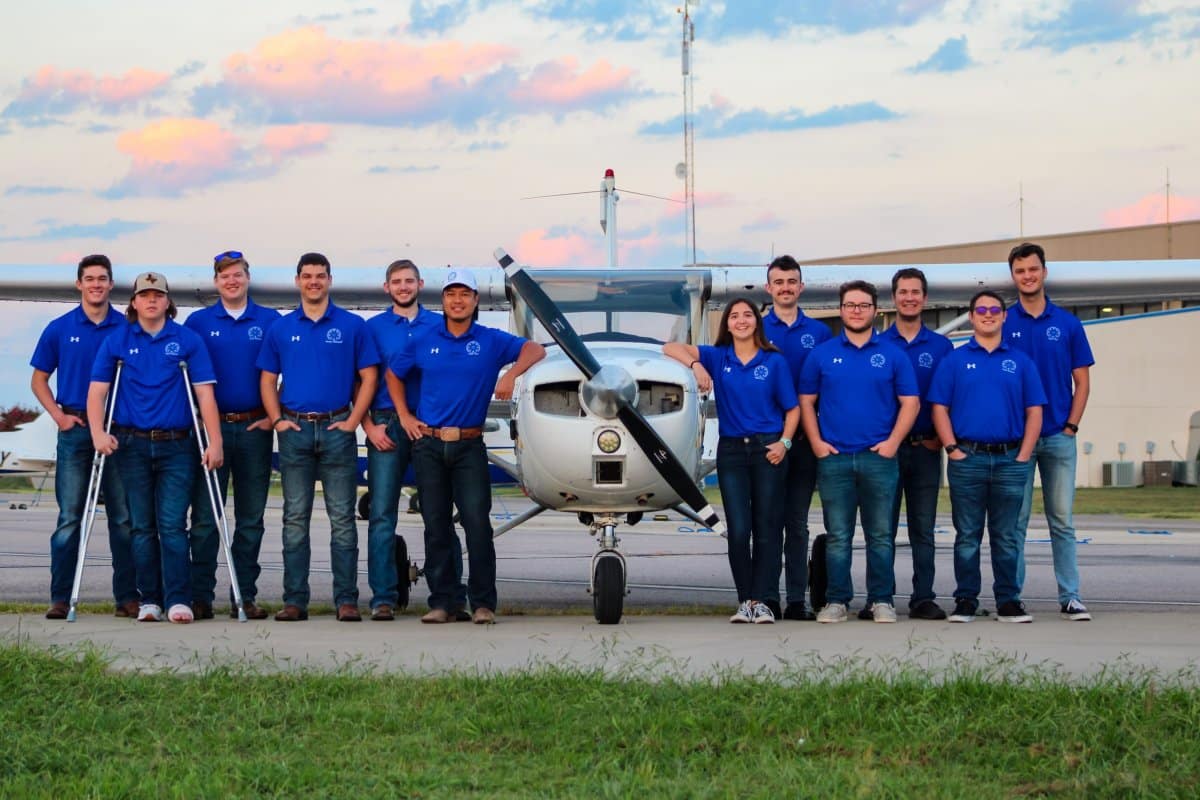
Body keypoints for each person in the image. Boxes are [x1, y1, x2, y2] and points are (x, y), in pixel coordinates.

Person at [388, 268, 545, 625]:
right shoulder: (424, 339)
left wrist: (510, 373)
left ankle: (483, 603)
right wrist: (405, 417)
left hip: (469, 445)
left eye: (464, 294)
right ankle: (444, 602)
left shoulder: (491, 340)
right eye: (450, 294)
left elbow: (534, 349)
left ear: (475, 301)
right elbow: (394, 375)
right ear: (442, 301)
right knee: (436, 524)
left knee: (477, 524)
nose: (457, 301)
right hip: (428, 444)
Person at [89, 272, 223, 624]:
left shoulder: (187, 340)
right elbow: (97, 392)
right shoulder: (117, 340)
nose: (151, 300)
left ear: (167, 302)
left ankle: (178, 598)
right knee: (141, 527)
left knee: (173, 525)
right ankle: (149, 598)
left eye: (158, 295)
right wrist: (98, 433)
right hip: (130, 443)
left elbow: (205, 395)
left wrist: (215, 440)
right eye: (144, 295)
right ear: (133, 302)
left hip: (177, 445)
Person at [258, 252, 378, 622]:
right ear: (297, 281)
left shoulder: (353, 325)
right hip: (294, 430)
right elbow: (267, 379)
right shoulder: (280, 327)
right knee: (295, 518)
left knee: (342, 518)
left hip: (336, 427)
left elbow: (369, 377)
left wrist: (354, 421)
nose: (314, 281)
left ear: (330, 280)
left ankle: (346, 599)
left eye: (320, 275)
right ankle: (295, 600)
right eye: (307, 276)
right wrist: (277, 420)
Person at [665, 298, 800, 624]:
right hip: (732, 453)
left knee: (767, 528)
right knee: (739, 530)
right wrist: (696, 366)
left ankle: (764, 601)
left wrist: (784, 443)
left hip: (768, 449)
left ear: (757, 321)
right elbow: (670, 347)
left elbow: (792, 409)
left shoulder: (774, 361)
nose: (741, 321)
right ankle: (745, 601)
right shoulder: (718, 356)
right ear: (726, 324)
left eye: (747, 315)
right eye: (734, 316)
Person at [799, 280, 919, 624]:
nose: (856, 310)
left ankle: (881, 599)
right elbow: (806, 401)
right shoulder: (821, 354)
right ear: (841, 309)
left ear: (875, 310)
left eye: (863, 305)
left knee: (880, 534)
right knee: (838, 535)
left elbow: (910, 402)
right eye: (850, 305)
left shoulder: (893, 355)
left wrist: (893, 442)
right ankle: (837, 601)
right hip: (834, 459)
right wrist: (818, 442)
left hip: (878, 458)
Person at [30, 254, 139, 619]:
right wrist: (58, 417)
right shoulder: (59, 328)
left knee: (123, 519)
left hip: (117, 432)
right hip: (75, 430)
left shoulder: (126, 328)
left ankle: (126, 597)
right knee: (70, 517)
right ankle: (60, 597)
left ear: (111, 285)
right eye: (89, 279)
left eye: (102, 279)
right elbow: (39, 379)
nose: (96, 284)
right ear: (79, 284)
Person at [930, 290, 1046, 623]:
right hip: (968, 459)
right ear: (972, 316)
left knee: (1006, 535)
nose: (988, 314)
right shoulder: (954, 359)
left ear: (1004, 316)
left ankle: (1008, 600)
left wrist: (1024, 454)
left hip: (1011, 460)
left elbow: (1034, 411)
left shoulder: (1021, 362)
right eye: (981, 309)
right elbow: (939, 407)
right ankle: (965, 599)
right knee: (967, 535)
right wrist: (952, 448)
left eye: (995, 309)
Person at [183, 250, 282, 620]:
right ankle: (200, 596)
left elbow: (292, 370)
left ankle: (244, 594)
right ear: (216, 282)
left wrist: (275, 415)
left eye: (238, 274)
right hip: (212, 429)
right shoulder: (197, 322)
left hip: (255, 428)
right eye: (224, 276)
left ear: (247, 277)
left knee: (251, 518)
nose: (232, 281)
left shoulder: (272, 321)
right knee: (207, 518)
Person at [361, 259, 461, 621]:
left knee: (439, 514)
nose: (403, 287)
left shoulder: (440, 324)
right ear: (386, 287)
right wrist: (369, 426)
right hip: (387, 423)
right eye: (396, 282)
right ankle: (383, 597)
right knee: (381, 513)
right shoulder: (372, 329)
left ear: (420, 284)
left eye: (409, 281)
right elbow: (362, 380)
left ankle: (449, 595)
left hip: (431, 426)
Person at [1004, 242, 1095, 621]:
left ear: (1044, 272)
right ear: (1014, 276)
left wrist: (1072, 426)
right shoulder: (1004, 321)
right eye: (1021, 270)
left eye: (1033, 269)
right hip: (1017, 439)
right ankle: (1013, 596)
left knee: (1062, 520)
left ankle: (1070, 595)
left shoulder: (1068, 324)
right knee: (1016, 521)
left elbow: (1083, 381)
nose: (1028, 275)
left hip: (1058, 435)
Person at [760, 255, 831, 621]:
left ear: (800, 287)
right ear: (769, 287)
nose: (785, 288)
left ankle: (796, 600)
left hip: (802, 441)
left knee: (797, 523)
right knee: (768, 522)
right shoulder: (753, 328)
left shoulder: (819, 334)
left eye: (792, 282)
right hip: (765, 441)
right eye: (779, 282)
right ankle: (768, 597)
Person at [881, 268, 954, 620]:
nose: (909, 297)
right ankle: (881, 597)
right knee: (884, 528)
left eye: (916, 292)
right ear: (893, 298)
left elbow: (952, 395)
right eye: (903, 292)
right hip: (888, 451)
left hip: (926, 448)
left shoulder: (942, 347)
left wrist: (942, 437)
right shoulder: (878, 344)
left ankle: (923, 596)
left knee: (922, 528)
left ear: (925, 299)